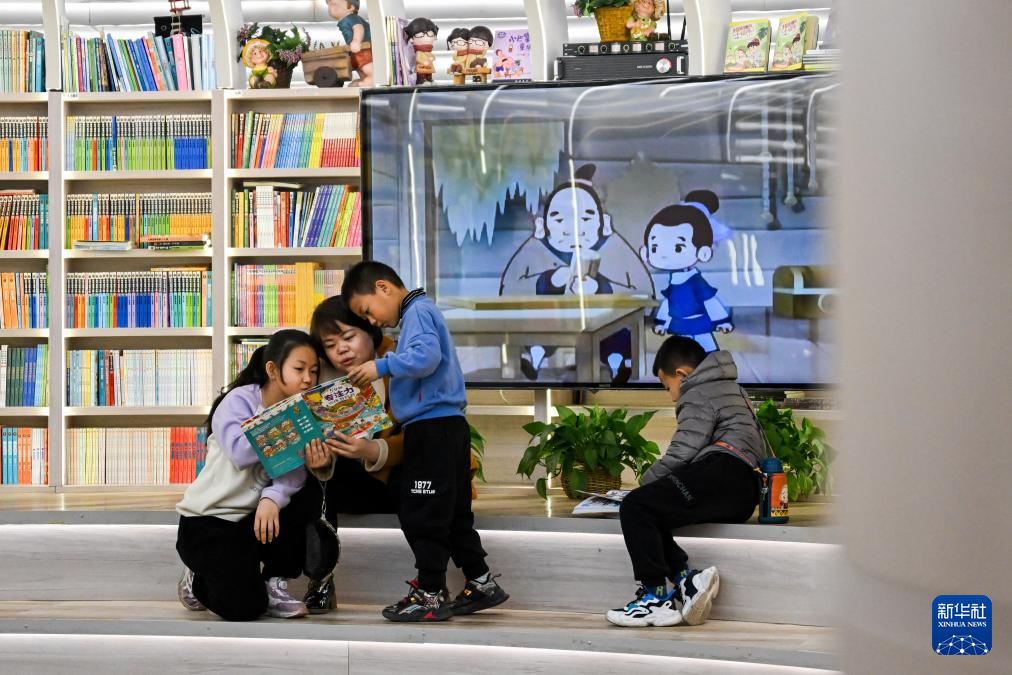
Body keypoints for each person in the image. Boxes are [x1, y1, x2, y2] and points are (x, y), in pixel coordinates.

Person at [342, 261, 509, 622]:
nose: (372, 321)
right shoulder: (420, 312)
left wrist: (380, 366)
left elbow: (426, 358)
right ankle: (480, 580)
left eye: (367, 311)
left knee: (424, 513)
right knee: (454, 514)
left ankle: (430, 593)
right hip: (447, 428)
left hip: (431, 430)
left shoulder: (417, 311)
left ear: (384, 288)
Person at [606, 336, 763, 627]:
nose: (672, 396)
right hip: (744, 490)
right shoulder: (732, 388)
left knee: (636, 506)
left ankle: (654, 599)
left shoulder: (697, 391)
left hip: (722, 473)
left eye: (668, 387)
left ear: (681, 374)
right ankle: (687, 581)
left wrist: (645, 485)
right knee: (652, 512)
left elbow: (682, 452)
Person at [175, 330, 323, 621]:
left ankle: (275, 582)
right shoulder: (239, 401)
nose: (308, 379)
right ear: (272, 370)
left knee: (308, 492)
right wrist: (293, 427)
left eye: (314, 371)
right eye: (299, 369)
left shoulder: (299, 411)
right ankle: (197, 577)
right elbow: (240, 452)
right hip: (209, 521)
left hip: (251, 520)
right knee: (244, 608)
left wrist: (272, 498)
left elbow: (293, 475)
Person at [327, 0, 374, 87]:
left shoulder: (351, 18)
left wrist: (356, 41)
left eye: (335, 4)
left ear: (351, 7)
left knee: (364, 62)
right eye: (329, 5)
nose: (330, 8)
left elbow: (358, 28)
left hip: (363, 47)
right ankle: (364, 79)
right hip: (356, 48)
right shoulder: (345, 19)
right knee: (358, 64)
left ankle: (372, 78)